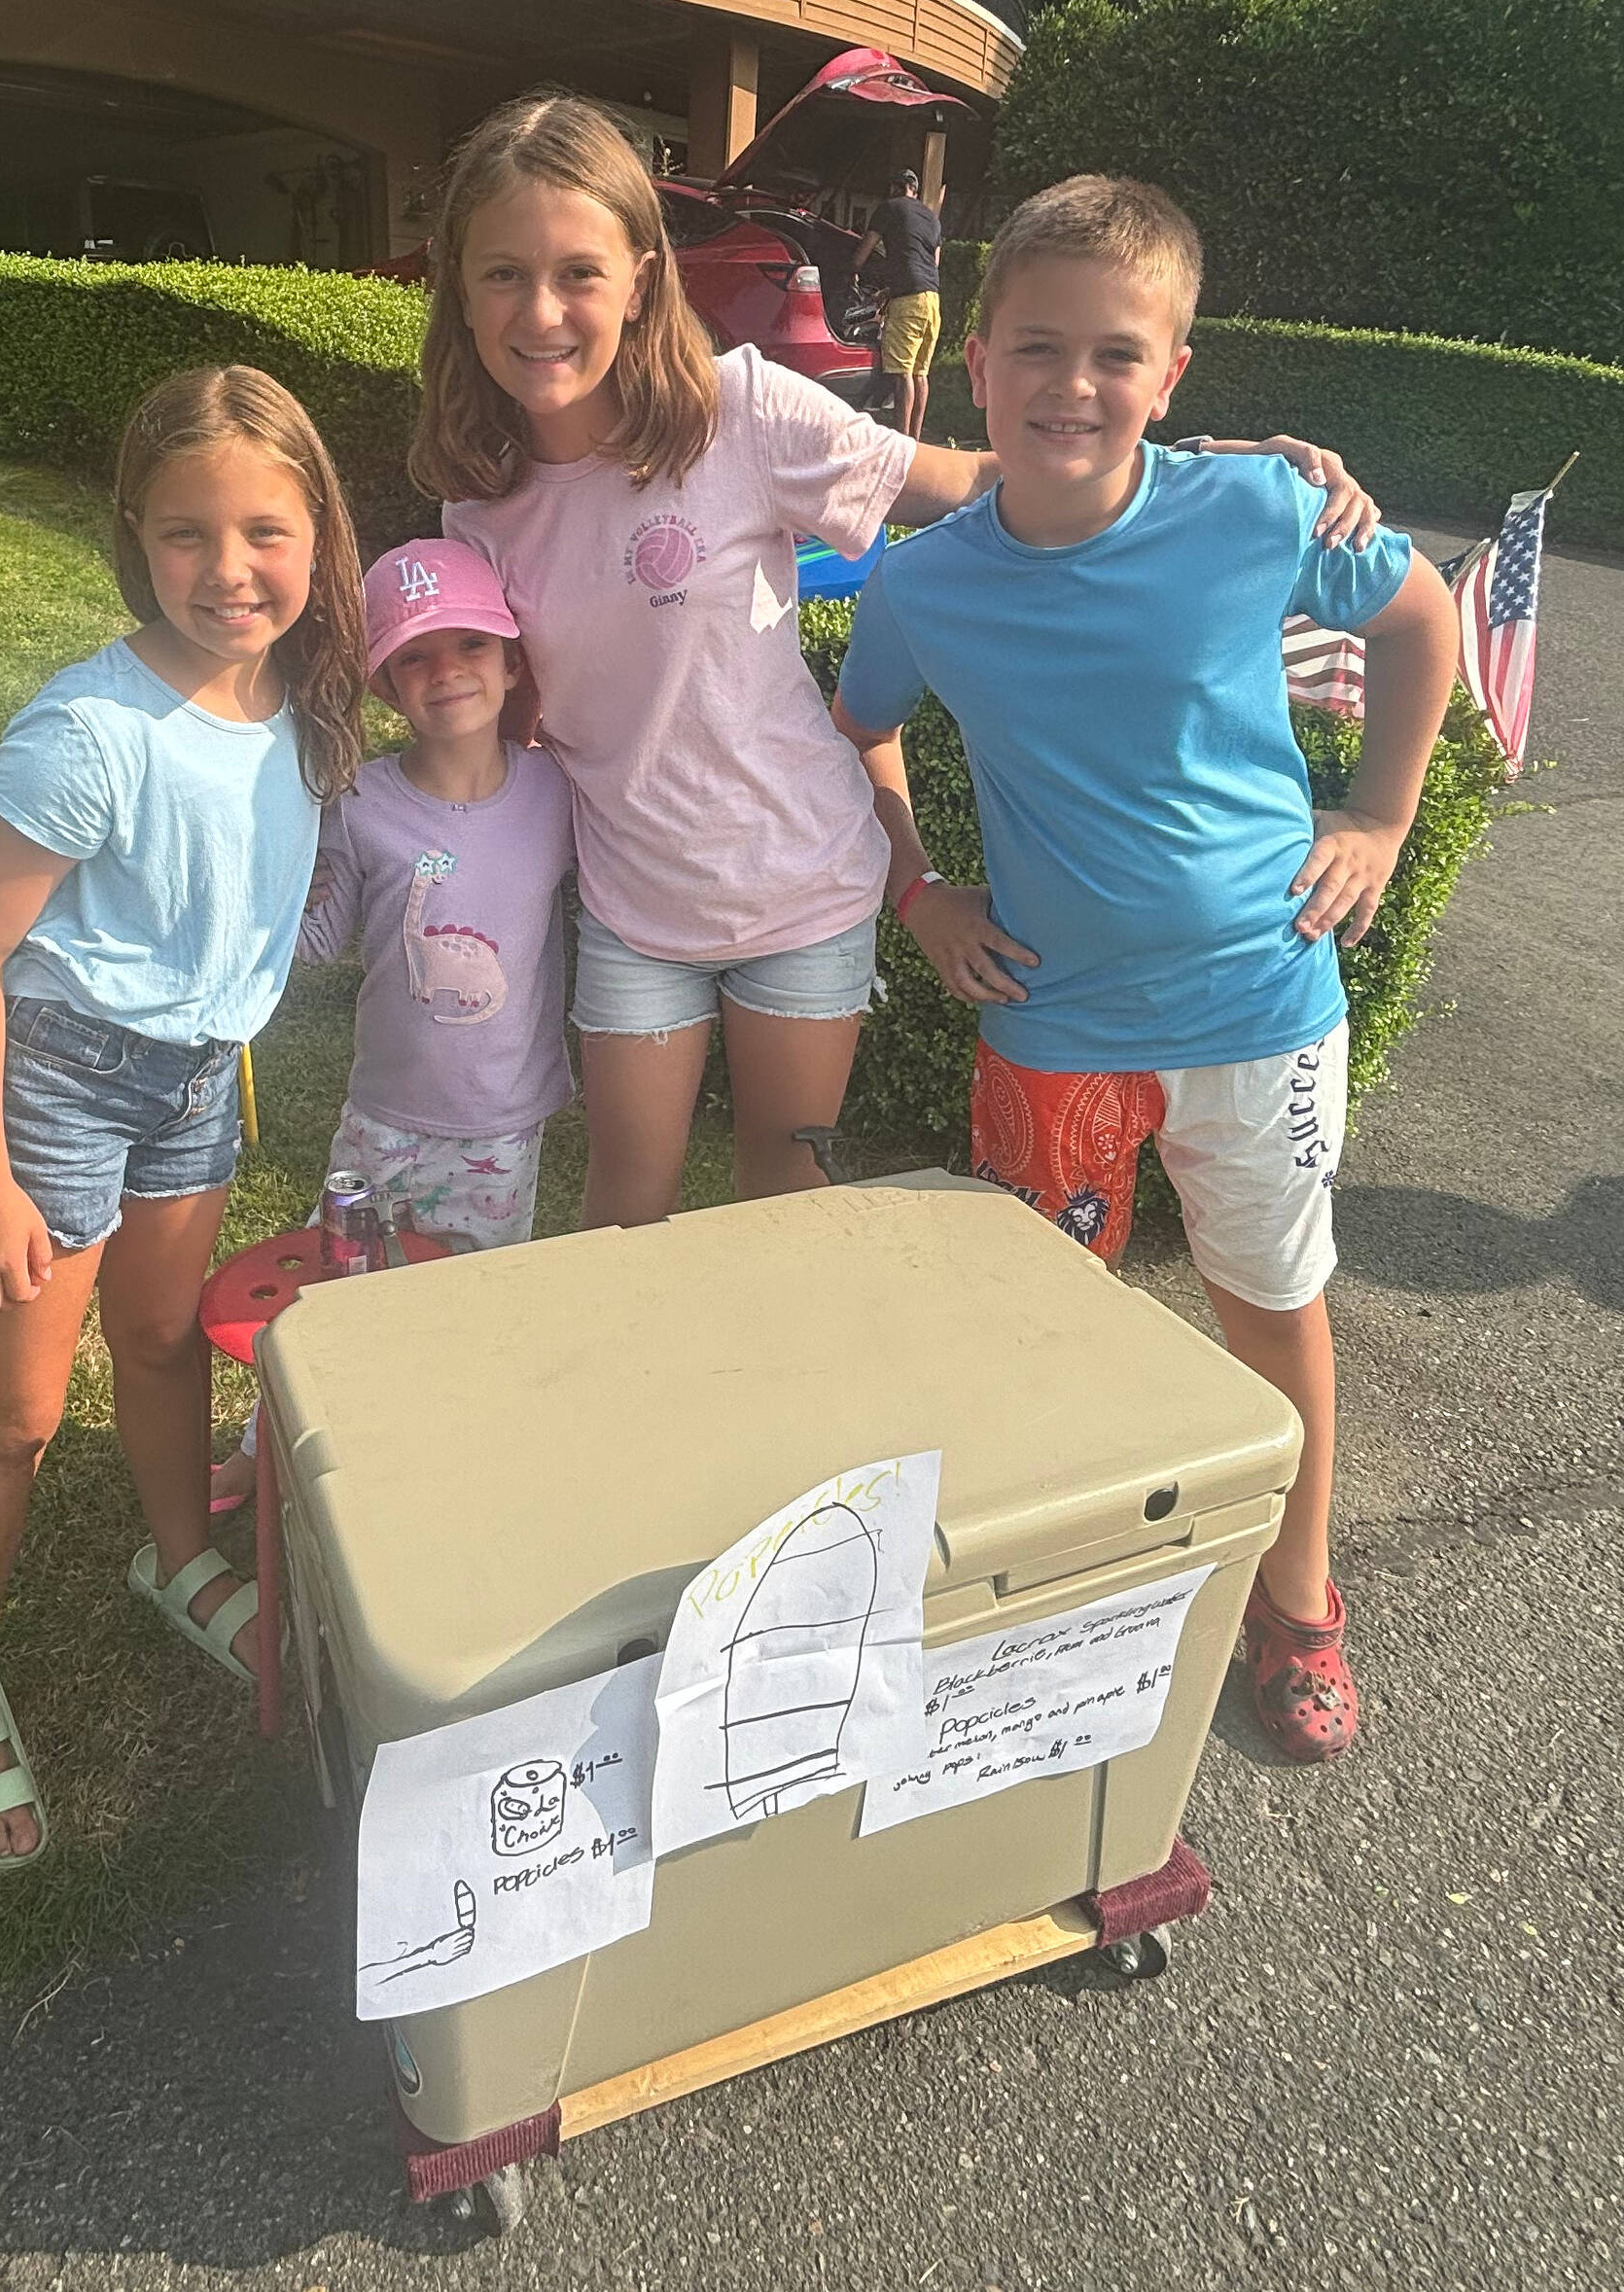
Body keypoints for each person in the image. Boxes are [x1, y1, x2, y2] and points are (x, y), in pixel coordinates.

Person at [409, 91, 1378, 1237]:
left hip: (806, 884)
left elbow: (973, 475)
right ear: (457, 292)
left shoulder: (740, 409)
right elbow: (517, 721)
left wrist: (1192, 474)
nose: (541, 310)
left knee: (785, 1204)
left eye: (577, 270)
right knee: (624, 1211)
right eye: (502, 274)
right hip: (631, 905)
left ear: (639, 275)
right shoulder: (471, 507)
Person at [830, 176, 1462, 1764]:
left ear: (1172, 373)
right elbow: (860, 730)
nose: (1071, 385)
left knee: (1270, 1305)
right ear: (972, 360)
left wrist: (1379, 817)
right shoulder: (921, 581)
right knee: (1048, 1331)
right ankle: (1064, 1588)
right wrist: (916, 892)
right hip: (1049, 1026)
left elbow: (1419, 614)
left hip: (1260, 1011)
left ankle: (1297, 1597)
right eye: (1034, 347)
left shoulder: (1256, 511)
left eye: (1116, 354)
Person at [0, 365, 367, 1867]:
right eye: (186, 535)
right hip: (57, 1077)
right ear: (134, 536)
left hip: (190, 1084)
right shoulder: (87, 731)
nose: (228, 571)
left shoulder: (306, 700)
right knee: (19, 1408)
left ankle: (176, 1558)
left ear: (318, 535)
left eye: (263, 531)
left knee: (164, 1340)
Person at [208, 538, 576, 1512]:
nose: (445, 672)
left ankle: (444, 1464)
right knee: (331, 1298)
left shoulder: (556, 796)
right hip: (382, 1116)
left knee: (473, 1309)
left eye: (467, 646)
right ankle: (266, 1448)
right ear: (383, 683)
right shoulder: (363, 801)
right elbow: (318, 936)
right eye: (414, 655)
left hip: (502, 1126)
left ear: (510, 662)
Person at [854, 167, 944, 440]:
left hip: (908, 303)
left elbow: (863, 251)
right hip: (932, 300)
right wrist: (890, 289)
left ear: (894, 189)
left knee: (902, 372)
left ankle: (901, 441)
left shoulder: (889, 208)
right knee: (920, 373)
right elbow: (933, 262)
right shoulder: (931, 218)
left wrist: (850, 269)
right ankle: (915, 441)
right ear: (914, 190)